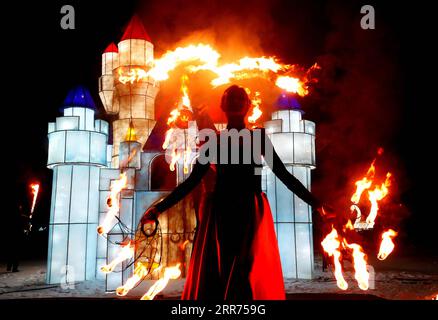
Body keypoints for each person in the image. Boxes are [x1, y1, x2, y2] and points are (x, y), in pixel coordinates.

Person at [141, 85, 330, 300]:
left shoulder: (258, 138)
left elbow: (284, 175)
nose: (236, 101)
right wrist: (158, 209)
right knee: (225, 272)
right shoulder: (213, 140)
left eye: (240, 98)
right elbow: (192, 181)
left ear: (247, 105)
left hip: (249, 212)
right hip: (222, 212)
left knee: (245, 271)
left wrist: (317, 204)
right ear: (224, 105)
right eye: (231, 98)